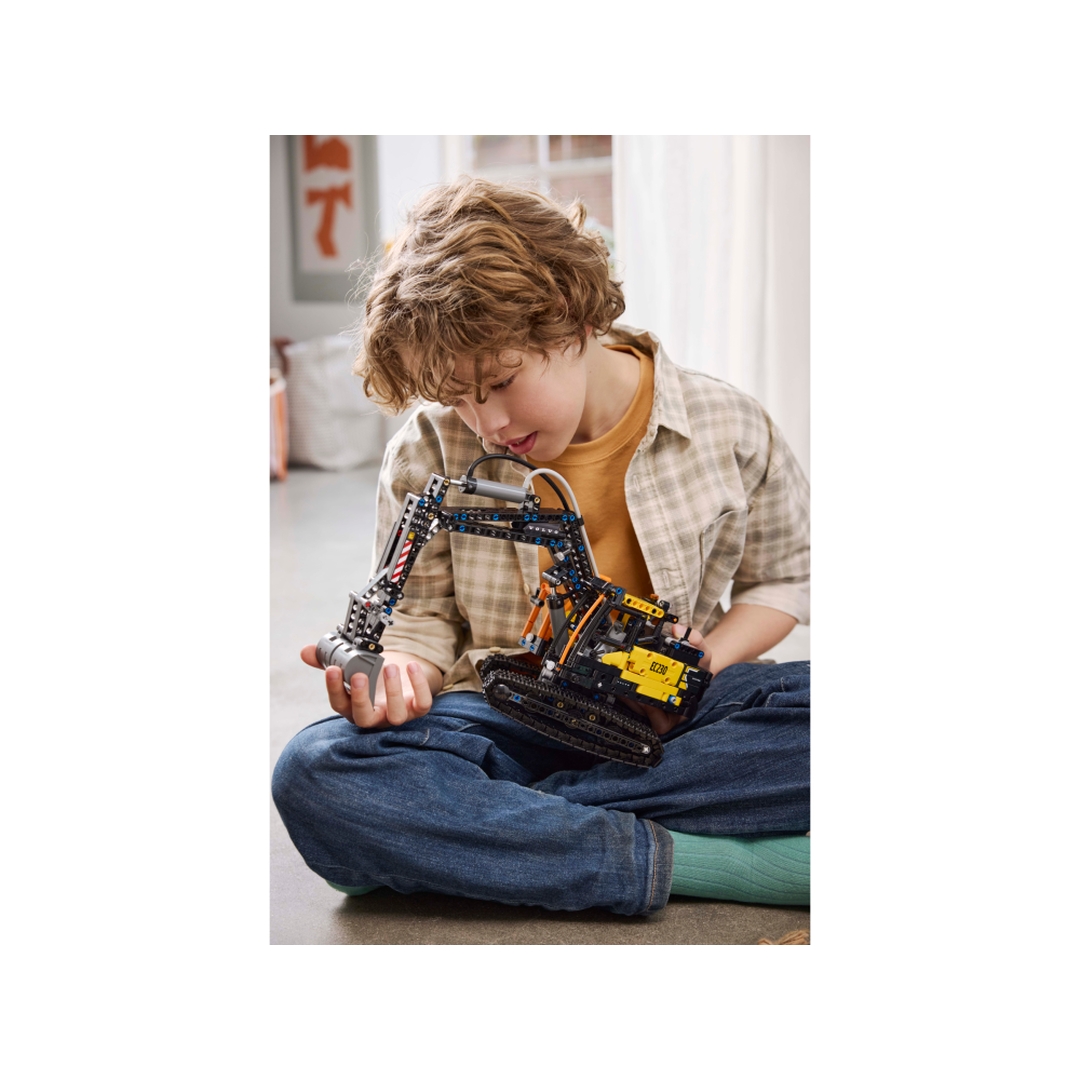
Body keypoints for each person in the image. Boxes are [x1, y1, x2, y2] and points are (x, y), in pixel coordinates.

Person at [272, 177, 810, 917]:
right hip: (503, 717)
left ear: (572, 318)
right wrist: (401, 674)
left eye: (500, 381)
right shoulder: (428, 451)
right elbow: (420, 618)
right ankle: (686, 858)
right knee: (315, 771)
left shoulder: (730, 426)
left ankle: (477, 828)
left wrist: (700, 664)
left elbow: (782, 581)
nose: (486, 424)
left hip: (673, 722)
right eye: (456, 398)